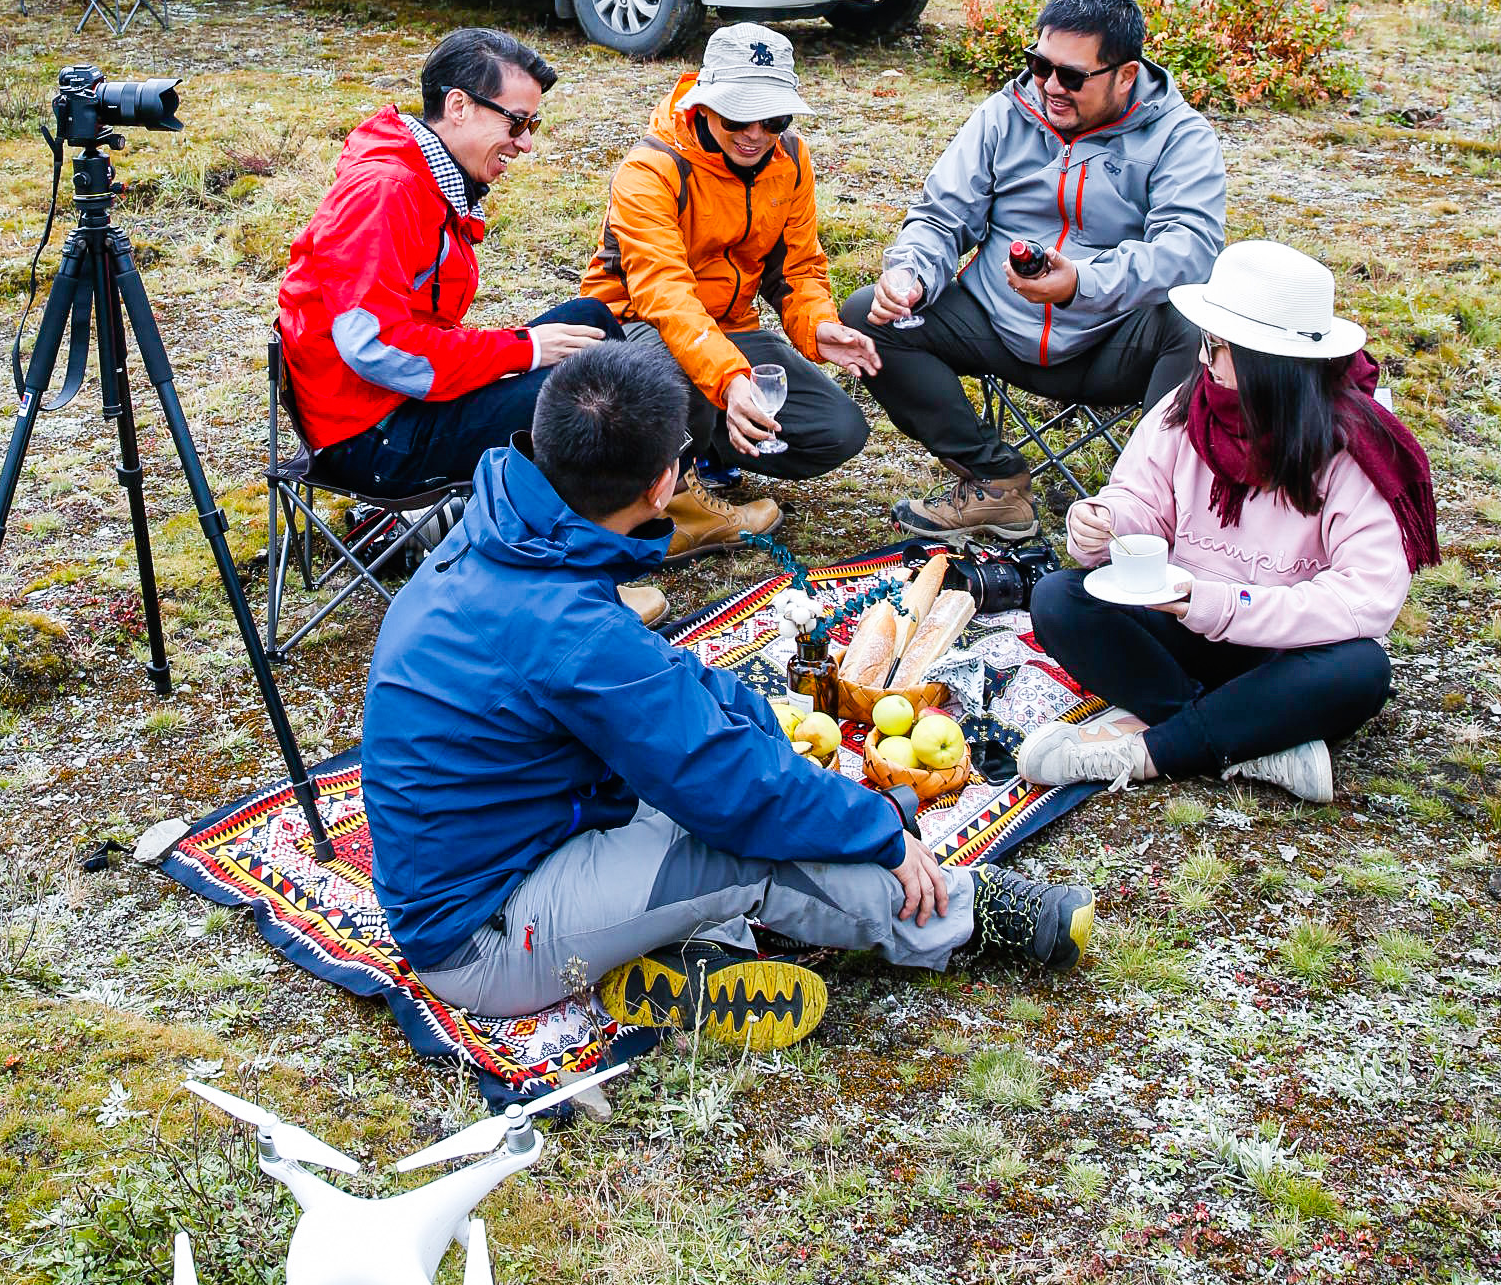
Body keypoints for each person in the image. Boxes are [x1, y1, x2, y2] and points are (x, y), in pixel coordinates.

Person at [360, 340, 1098, 1052]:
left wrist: (777, 749)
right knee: (743, 843)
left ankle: (673, 959)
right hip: (484, 933)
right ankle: (966, 913)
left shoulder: (515, 527)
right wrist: (873, 828)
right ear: (661, 486)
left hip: (529, 837)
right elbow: (730, 788)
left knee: (738, 792)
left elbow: (671, 687)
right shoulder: (568, 630)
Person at [1018, 240, 1435, 805]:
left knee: (1361, 669)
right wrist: (1104, 520)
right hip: (1186, 626)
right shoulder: (1186, 408)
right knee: (1060, 598)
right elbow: (1141, 501)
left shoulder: (1357, 446)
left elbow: (1364, 601)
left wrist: (1220, 603)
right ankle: (1252, 740)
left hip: (1288, 651)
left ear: (1269, 364)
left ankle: (1148, 753)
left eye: (1215, 346)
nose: (1200, 358)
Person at [840, 0, 1226, 539]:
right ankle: (994, 481)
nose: (1050, 86)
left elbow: (1189, 252)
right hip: (996, 322)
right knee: (866, 318)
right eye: (1040, 65)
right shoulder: (1006, 113)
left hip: (1110, 341)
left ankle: (1144, 508)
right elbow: (942, 215)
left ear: (1125, 75)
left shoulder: (1179, 137)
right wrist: (911, 273)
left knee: (1198, 329)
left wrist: (1082, 285)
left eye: (1072, 76)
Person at [278, 25, 622, 501]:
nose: (525, 144)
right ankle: (632, 510)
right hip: (374, 438)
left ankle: (655, 488)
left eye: (532, 126)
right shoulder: (386, 192)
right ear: (459, 107)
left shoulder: (425, 179)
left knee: (593, 320)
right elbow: (374, 345)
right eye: (516, 123)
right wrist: (524, 350)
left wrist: (517, 351)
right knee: (594, 390)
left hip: (397, 403)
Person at [578, 23, 877, 556]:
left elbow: (798, 268)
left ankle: (699, 448)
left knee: (839, 430)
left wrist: (819, 325)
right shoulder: (651, 170)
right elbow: (665, 296)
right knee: (673, 374)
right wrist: (731, 381)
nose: (755, 133)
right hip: (632, 329)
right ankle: (670, 502)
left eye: (774, 118)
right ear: (704, 103)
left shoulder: (791, 159)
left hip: (730, 328)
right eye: (738, 115)